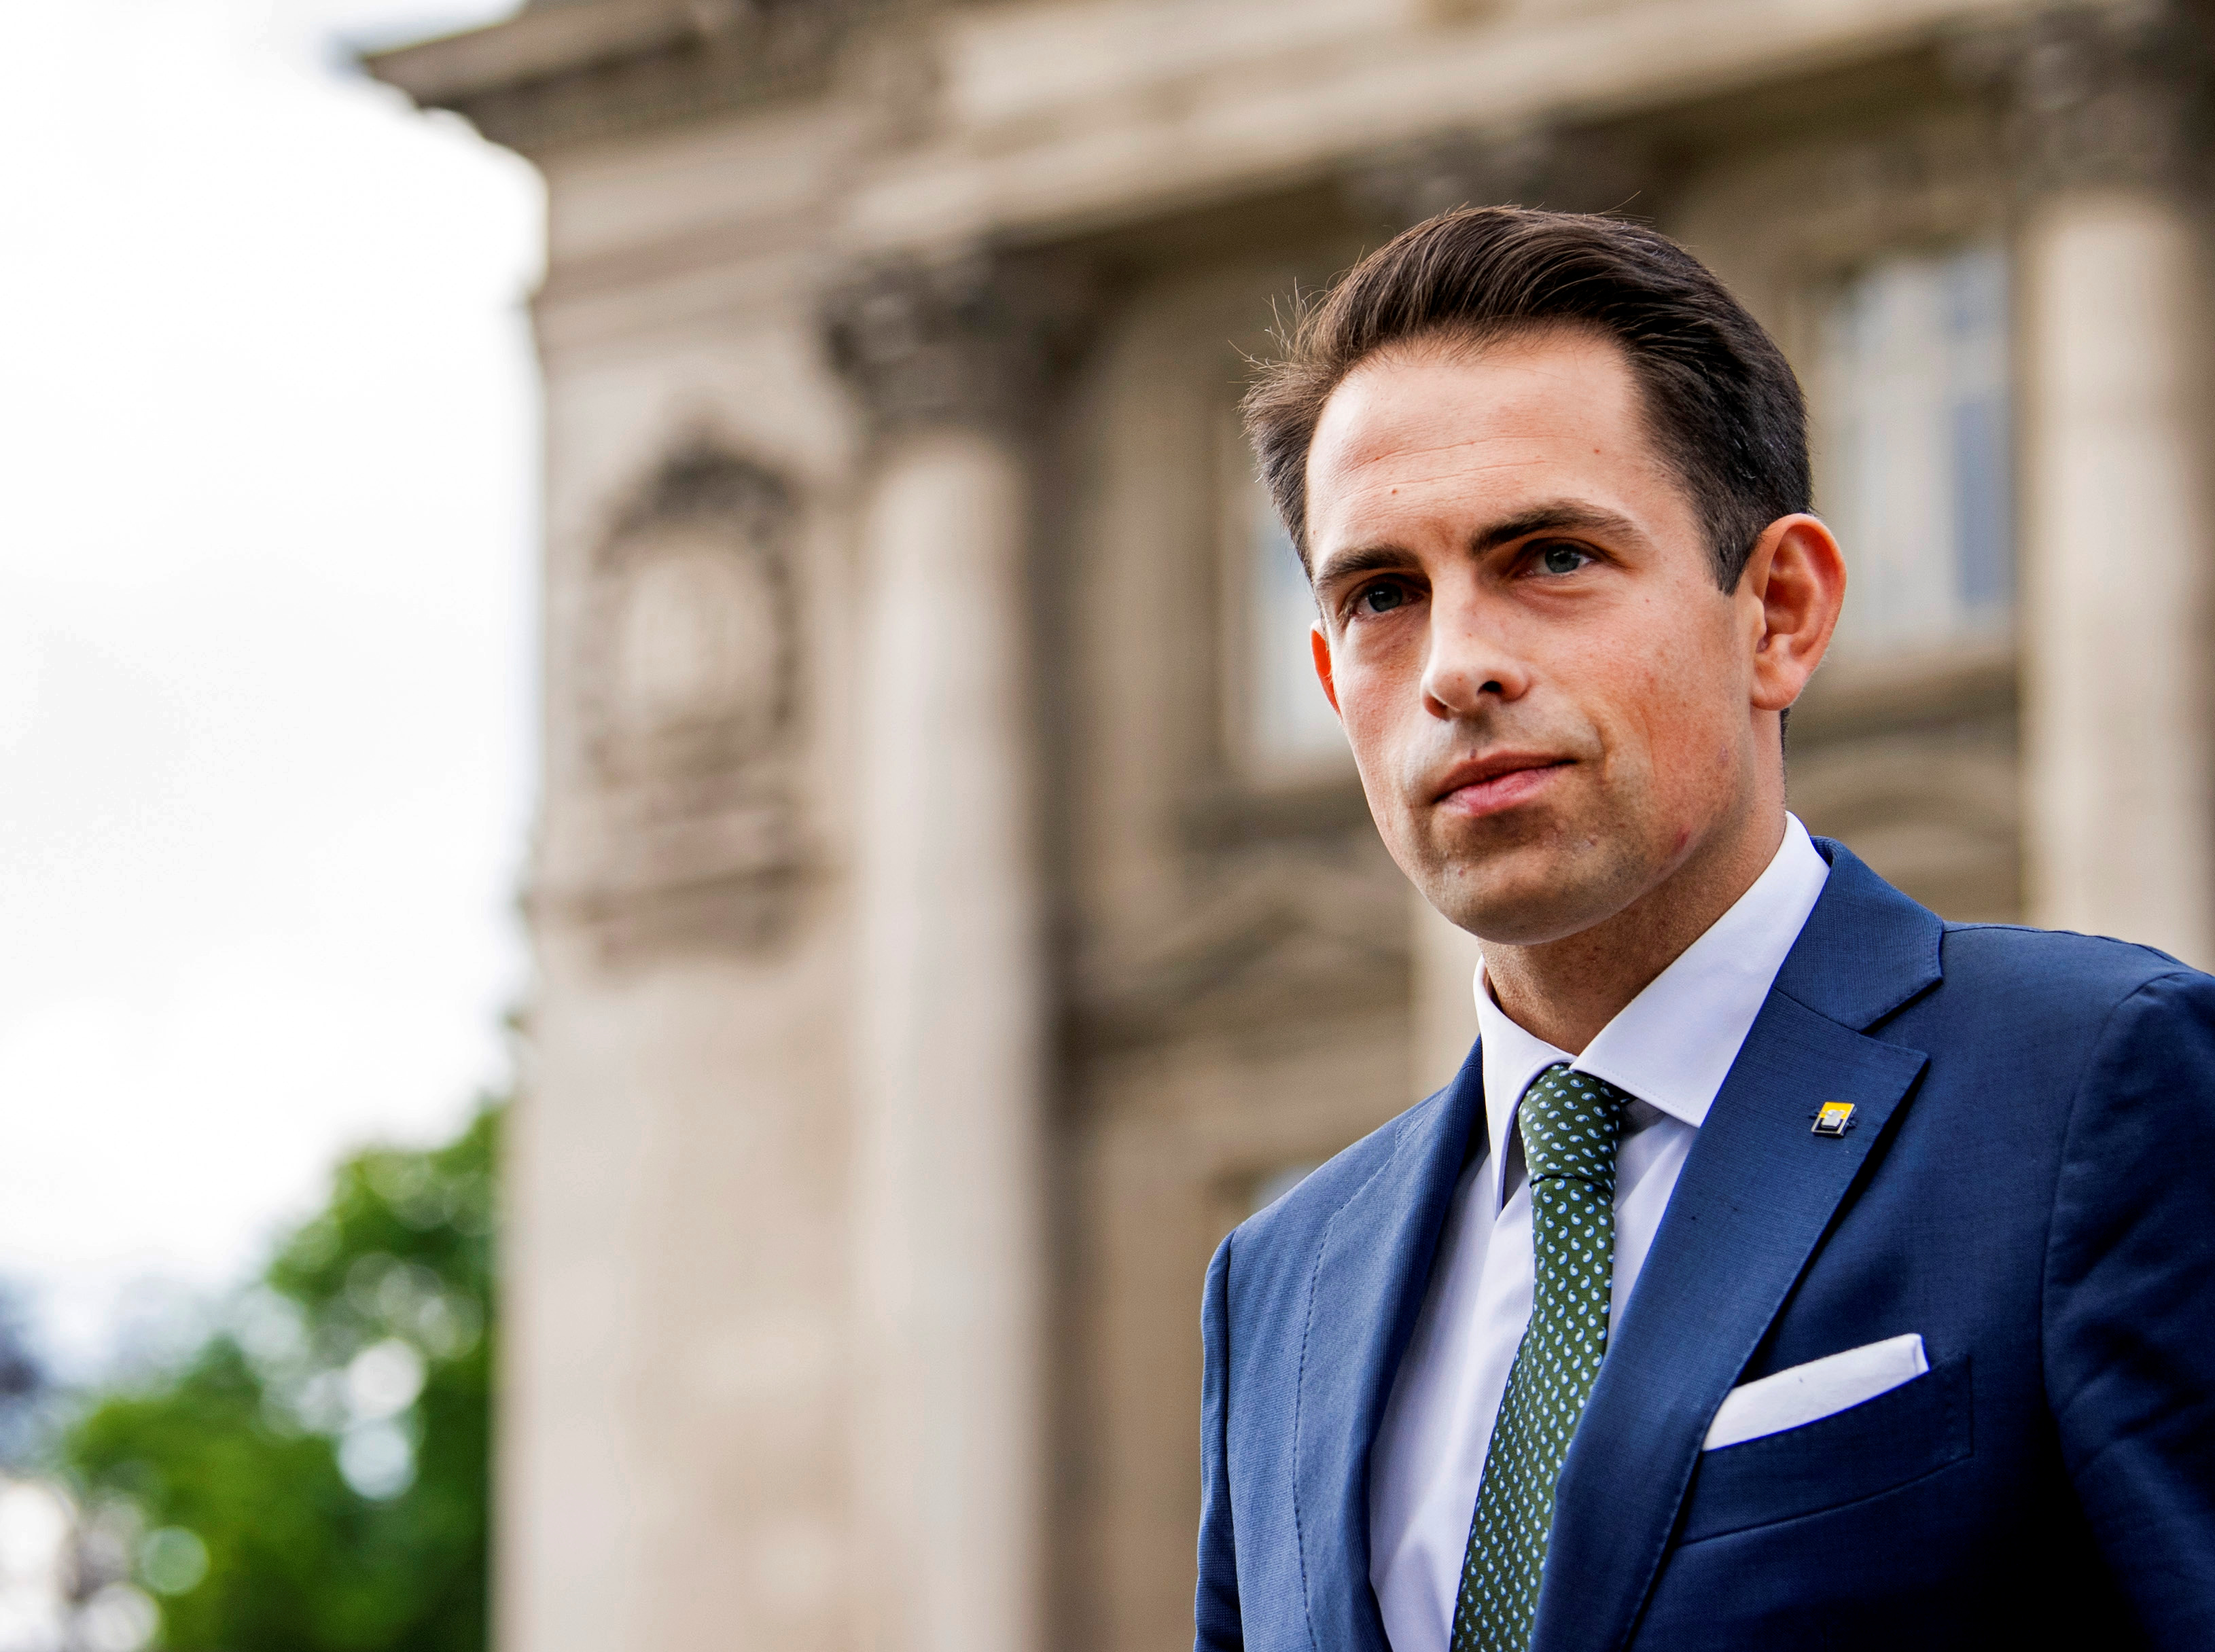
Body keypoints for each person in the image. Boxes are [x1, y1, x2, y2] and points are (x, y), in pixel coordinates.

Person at [1194, 206, 2215, 1652]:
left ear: (1779, 613)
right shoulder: (1280, 1280)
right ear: (1327, 674)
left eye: (1547, 557)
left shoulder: (2092, 1087)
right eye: (1381, 597)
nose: (1455, 665)